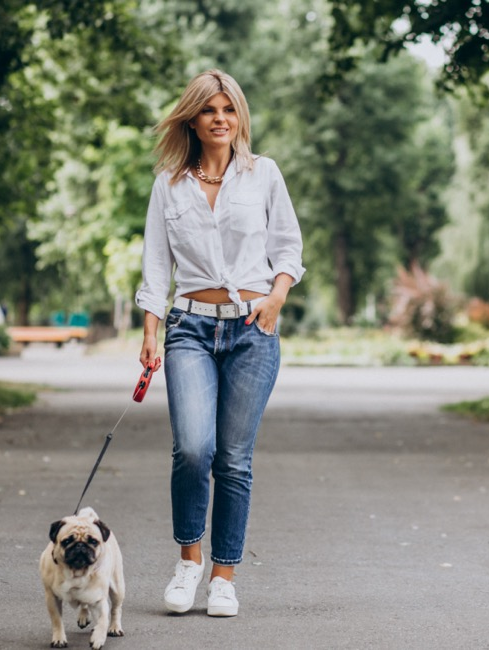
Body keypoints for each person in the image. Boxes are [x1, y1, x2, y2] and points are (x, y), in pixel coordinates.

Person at [135, 69, 305, 618]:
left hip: (253, 332)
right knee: (192, 449)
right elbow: (157, 264)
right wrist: (149, 329)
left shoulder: (264, 175)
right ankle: (188, 562)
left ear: (240, 118)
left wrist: (275, 300)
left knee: (233, 459)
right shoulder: (169, 183)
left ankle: (223, 576)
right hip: (188, 328)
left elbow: (288, 249)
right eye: (209, 110)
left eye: (229, 110)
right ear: (193, 117)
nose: (220, 119)